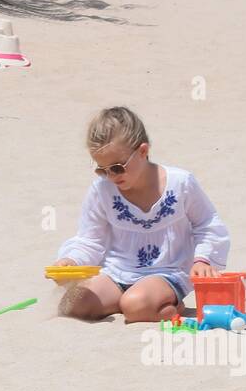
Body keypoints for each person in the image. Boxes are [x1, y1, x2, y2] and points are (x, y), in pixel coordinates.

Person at [52, 107, 230, 322]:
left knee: (134, 305)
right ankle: (140, 302)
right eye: (102, 169)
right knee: (73, 304)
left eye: (117, 168)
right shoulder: (102, 190)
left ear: (143, 151)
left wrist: (203, 260)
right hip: (117, 271)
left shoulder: (180, 183)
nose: (110, 176)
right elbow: (90, 239)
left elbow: (207, 223)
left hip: (167, 271)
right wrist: (71, 261)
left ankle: (156, 302)